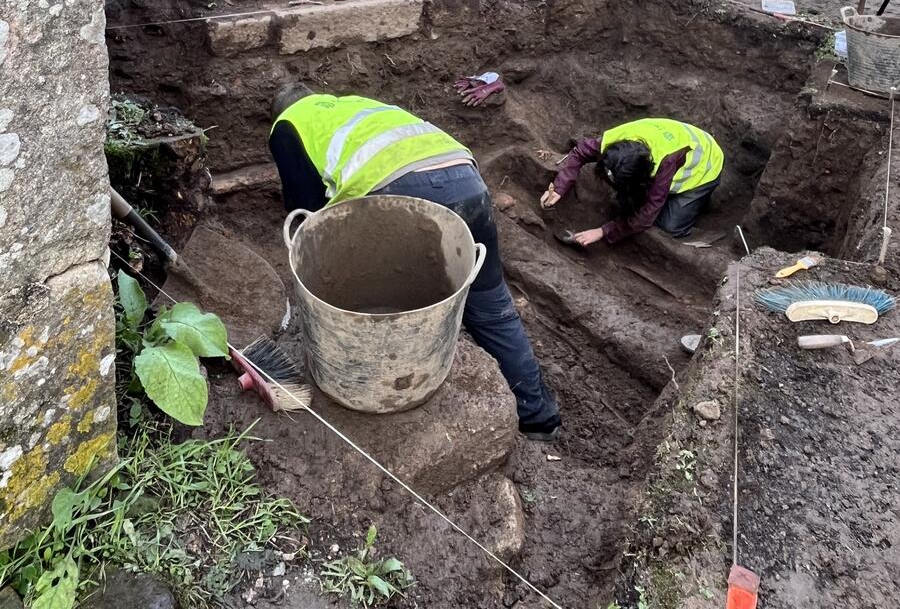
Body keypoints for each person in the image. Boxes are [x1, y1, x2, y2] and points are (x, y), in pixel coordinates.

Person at [269, 82, 561, 441]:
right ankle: (538, 417)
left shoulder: (287, 124)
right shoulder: (355, 102)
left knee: (373, 282)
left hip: (396, 188)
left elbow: (312, 217)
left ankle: (382, 367)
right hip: (466, 180)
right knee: (492, 305)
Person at [539, 118, 724, 245]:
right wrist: (560, 186)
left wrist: (603, 231)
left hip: (705, 166)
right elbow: (580, 152)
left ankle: (697, 204)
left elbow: (646, 215)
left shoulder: (665, 163)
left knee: (669, 227)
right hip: (678, 138)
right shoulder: (614, 142)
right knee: (629, 199)